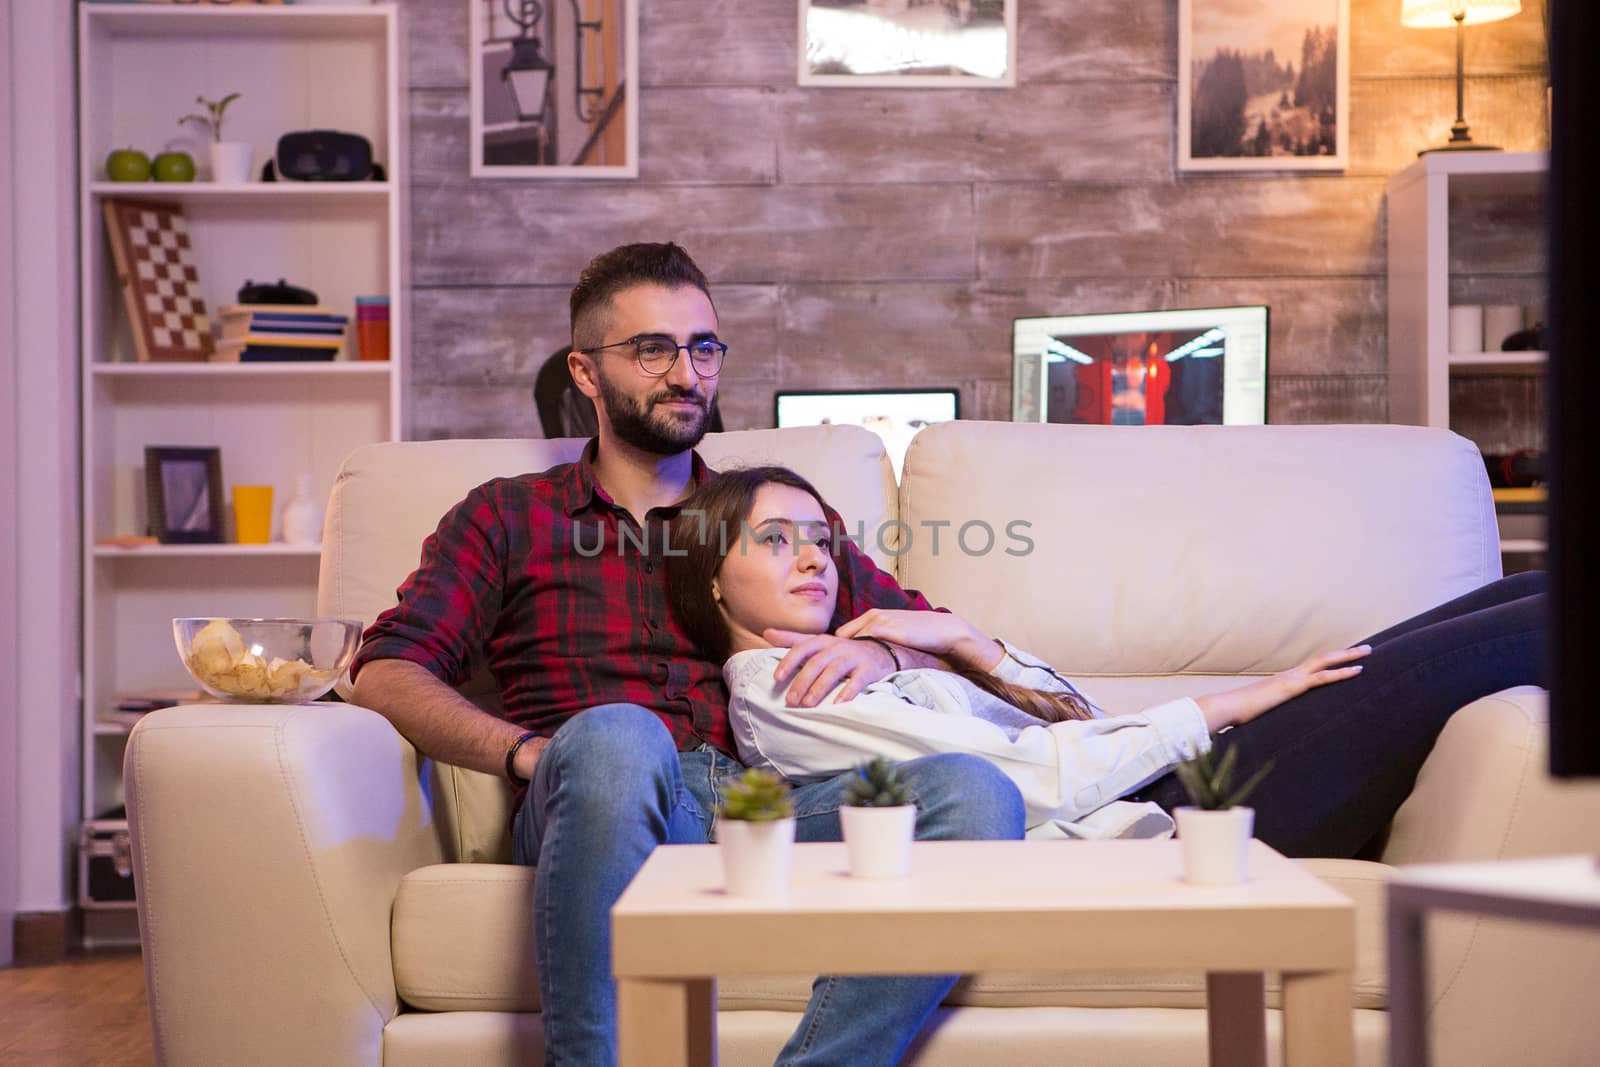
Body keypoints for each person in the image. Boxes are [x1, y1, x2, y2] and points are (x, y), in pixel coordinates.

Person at [348, 242, 1025, 1067]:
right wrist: (527, 752)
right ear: (586, 374)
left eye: (703, 347)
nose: (687, 373)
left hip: (769, 804)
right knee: (619, 736)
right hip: (602, 797)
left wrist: (884, 657)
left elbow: (951, 648)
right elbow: (385, 669)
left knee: (978, 791)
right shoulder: (506, 517)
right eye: (653, 349)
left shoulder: (769, 515)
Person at [665, 465, 1547, 858]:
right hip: (1164, 815)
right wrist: (1232, 702)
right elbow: (1025, 783)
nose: (815, 558)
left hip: (1156, 775)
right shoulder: (785, 687)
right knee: (1526, 624)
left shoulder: (857, 654)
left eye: (821, 538)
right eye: (776, 540)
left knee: (1530, 588)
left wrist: (962, 640)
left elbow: (1073, 719)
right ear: (712, 580)